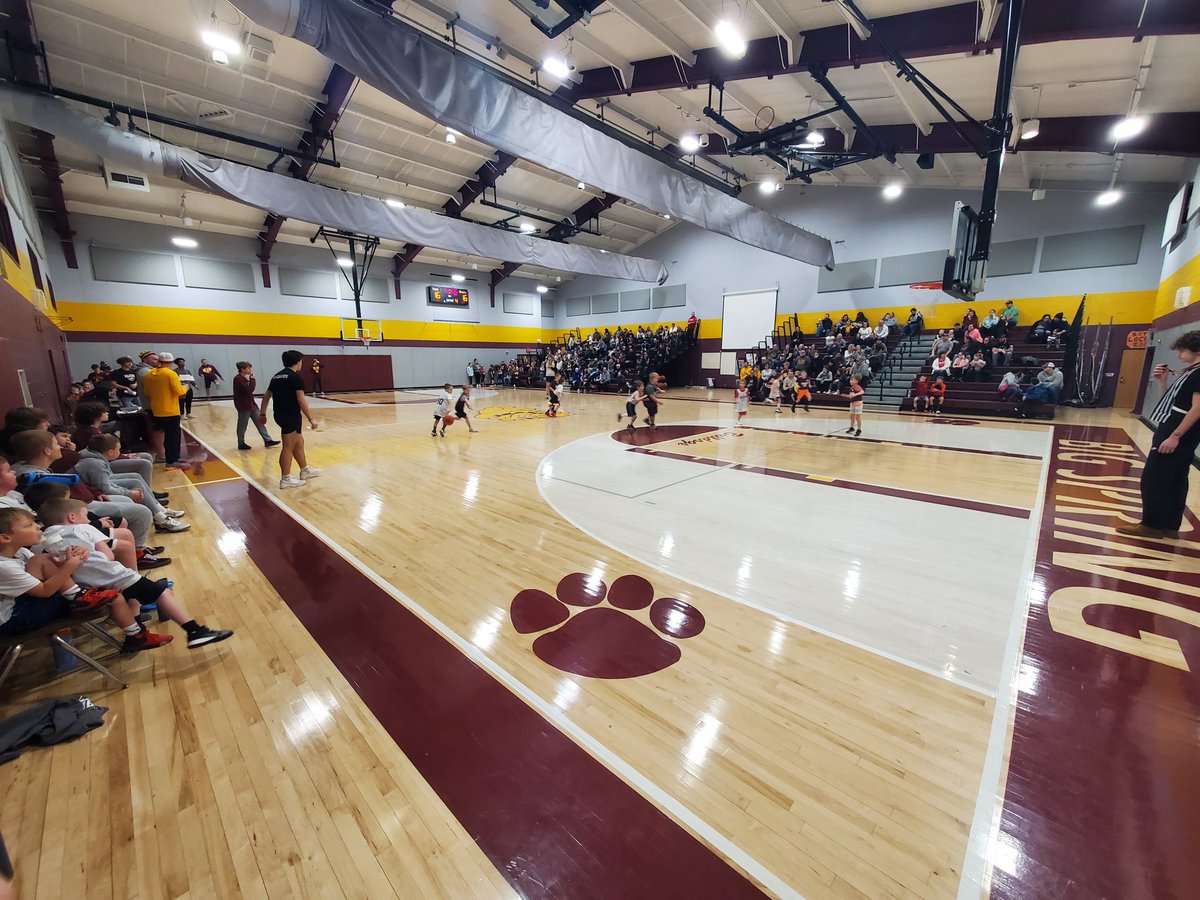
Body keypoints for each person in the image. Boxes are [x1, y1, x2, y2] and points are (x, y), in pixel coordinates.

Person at [37, 498, 233, 648]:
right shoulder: (83, 528)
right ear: (72, 518)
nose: (88, 519)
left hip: (87, 588)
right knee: (162, 592)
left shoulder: (44, 539)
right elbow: (108, 557)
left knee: (135, 596)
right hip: (116, 577)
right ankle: (195, 631)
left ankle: (137, 631)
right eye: (86, 515)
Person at [1118, 332, 1200, 539]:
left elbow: (1197, 409)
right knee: (1174, 478)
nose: (1179, 354)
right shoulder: (1190, 372)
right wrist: (1162, 382)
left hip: (1178, 430)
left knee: (1154, 477)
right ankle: (1170, 525)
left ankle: (1152, 524)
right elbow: (1173, 404)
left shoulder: (1199, 374)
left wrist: (1176, 435)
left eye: (1182, 349)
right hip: (1175, 425)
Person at [75, 435, 189, 534]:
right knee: (135, 483)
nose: (120, 452)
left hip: (92, 488)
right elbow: (105, 488)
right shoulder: (95, 464)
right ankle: (161, 519)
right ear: (110, 452)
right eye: (118, 449)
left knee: (136, 478)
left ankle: (159, 509)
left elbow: (105, 483)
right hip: (89, 496)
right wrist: (129, 493)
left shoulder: (95, 458)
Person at [259, 351, 321, 488]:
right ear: (298, 361)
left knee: (299, 442)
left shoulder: (276, 376)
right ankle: (285, 478)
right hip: (290, 415)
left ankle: (305, 471)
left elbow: (266, 396)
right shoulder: (295, 377)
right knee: (288, 446)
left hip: (280, 414)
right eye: (301, 361)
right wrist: (311, 419)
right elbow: (301, 399)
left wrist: (262, 414)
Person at [143, 352, 189, 469]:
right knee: (173, 437)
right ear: (171, 362)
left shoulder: (149, 374)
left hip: (156, 410)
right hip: (170, 411)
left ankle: (172, 458)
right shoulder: (170, 374)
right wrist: (186, 387)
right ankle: (172, 460)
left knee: (164, 434)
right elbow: (179, 392)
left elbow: (147, 392)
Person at [232, 362, 280, 451]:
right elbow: (249, 390)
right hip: (244, 406)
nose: (250, 370)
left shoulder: (244, 379)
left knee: (260, 423)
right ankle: (241, 443)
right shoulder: (238, 379)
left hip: (252, 405)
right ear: (242, 369)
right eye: (248, 368)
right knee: (242, 425)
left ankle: (267, 440)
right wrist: (253, 380)